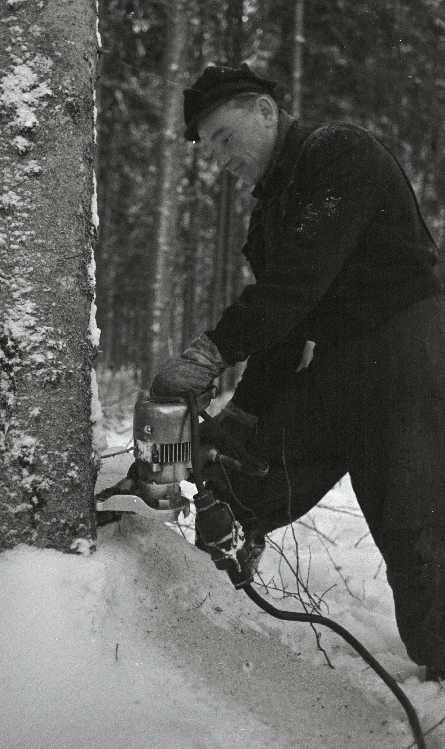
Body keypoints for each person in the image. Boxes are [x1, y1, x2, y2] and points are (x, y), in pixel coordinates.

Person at [150, 63, 445, 681]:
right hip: (341, 361)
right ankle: (191, 590)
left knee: (415, 520)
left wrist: (209, 353)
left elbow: (295, 287)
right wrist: (242, 416)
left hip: (410, 349)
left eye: (226, 138)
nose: (220, 160)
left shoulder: (339, 153)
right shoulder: (268, 215)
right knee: (254, 472)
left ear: (265, 111)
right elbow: (285, 328)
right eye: (211, 149)